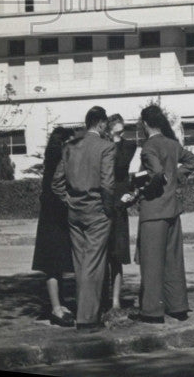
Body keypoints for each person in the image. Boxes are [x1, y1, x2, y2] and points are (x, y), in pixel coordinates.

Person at [132, 105, 194, 324]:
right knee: (173, 261)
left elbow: (157, 173)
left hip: (153, 211)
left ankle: (152, 311)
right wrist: (177, 177)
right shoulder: (172, 144)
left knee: (151, 263)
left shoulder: (148, 147)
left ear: (144, 124)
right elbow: (193, 160)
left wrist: (144, 187)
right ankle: (178, 306)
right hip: (172, 209)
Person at [51, 106, 115, 331]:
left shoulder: (70, 147)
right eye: (105, 123)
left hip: (74, 211)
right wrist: (108, 209)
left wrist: (67, 198)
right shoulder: (106, 147)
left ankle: (84, 312)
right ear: (101, 123)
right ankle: (88, 318)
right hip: (97, 210)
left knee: (81, 264)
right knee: (93, 263)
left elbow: (56, 182)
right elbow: (107, 184)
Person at [31, 126, 76, 326]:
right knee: (53, 264)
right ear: (64, 142)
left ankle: (58, 304)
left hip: (51, 216)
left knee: (55, 264)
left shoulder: (52, 158)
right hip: (55, 216)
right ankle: (56, 308)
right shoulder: (61, 159)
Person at [105, 114, 137, 314]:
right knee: (101, 255)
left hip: (118, 202)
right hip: (104, 201)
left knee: (116, 255)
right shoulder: (103, 144)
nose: (120, 126)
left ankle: (115, 301)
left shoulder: (128, 146)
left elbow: (119, 165)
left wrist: (112, 140)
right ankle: (101, 298)